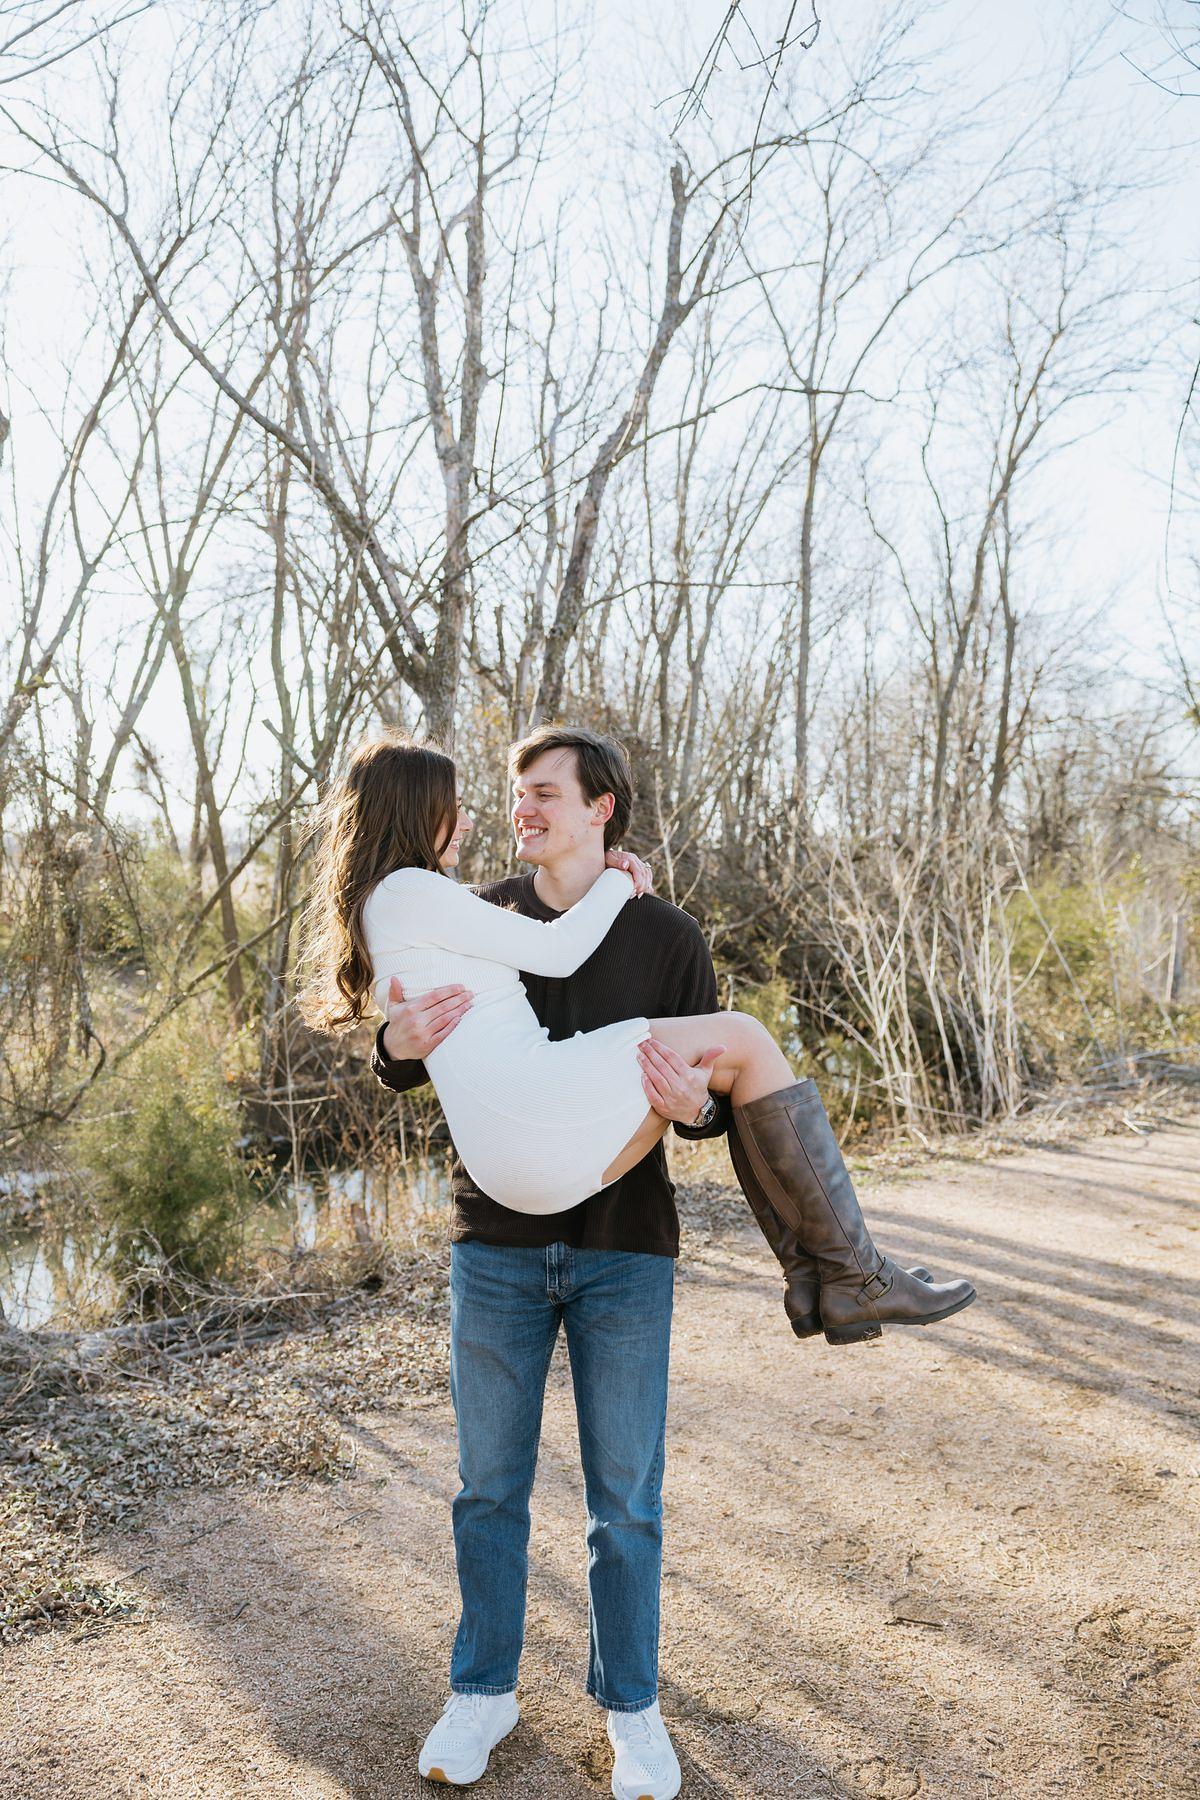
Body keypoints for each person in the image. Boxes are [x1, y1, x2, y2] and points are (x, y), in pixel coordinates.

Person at [301, 726, 974, 1798]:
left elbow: (705, 1115)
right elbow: (426, 1048)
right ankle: (483, 1694)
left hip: (621, 1239)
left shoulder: (663, 930)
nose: (510, 814)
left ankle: (633, 1713)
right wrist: (393, 1047)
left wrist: (687, 1104)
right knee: (487, 1492)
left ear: (600, 806)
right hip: (504, 1237)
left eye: (540, 795)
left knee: (627, 1505)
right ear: (426, 813)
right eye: (501, 798)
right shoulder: (476, 905)